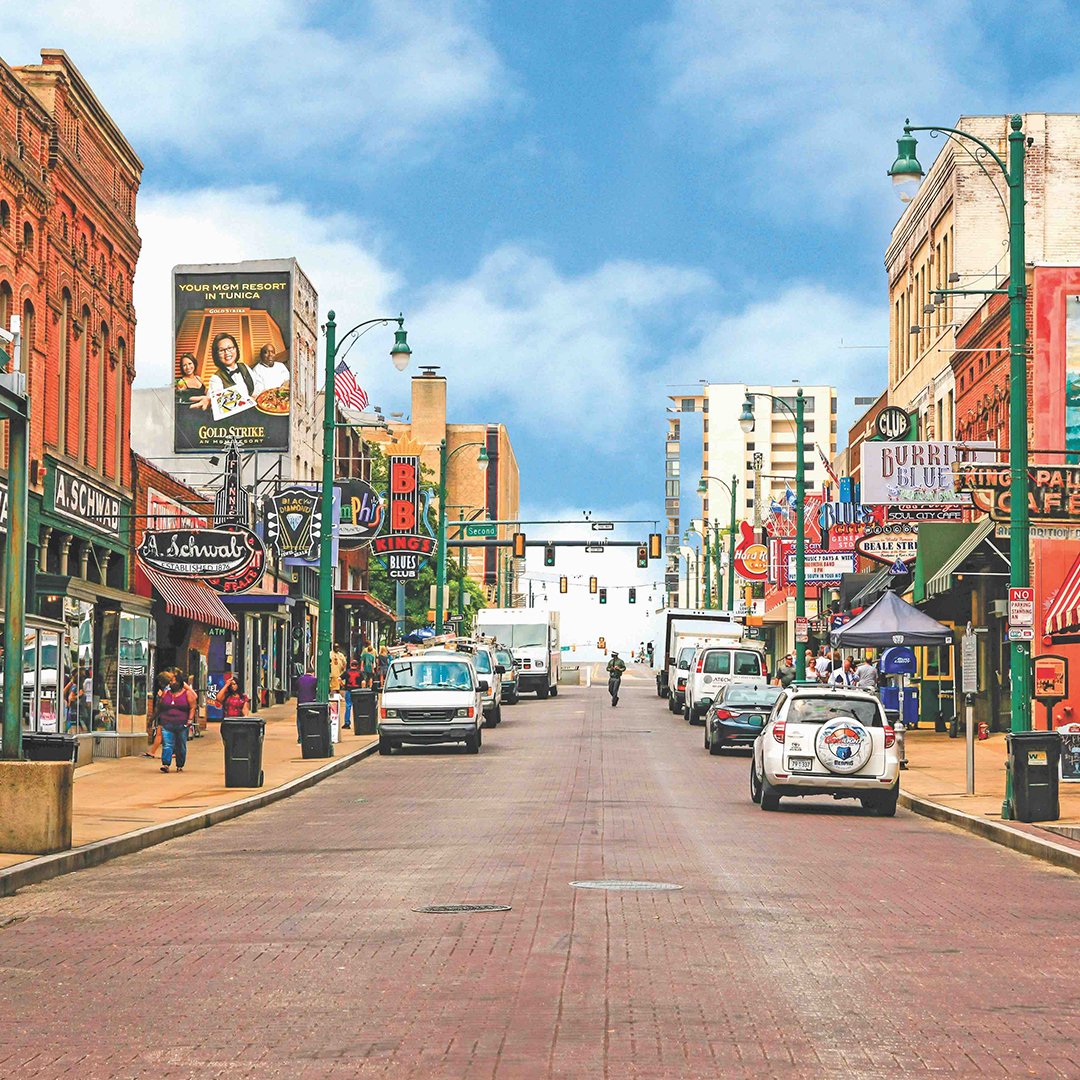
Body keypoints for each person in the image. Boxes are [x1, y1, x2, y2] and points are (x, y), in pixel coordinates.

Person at [188, 333, 255, 409]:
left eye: (230, 348)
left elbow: (256, 386)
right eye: (222, 350)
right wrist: (210, 401)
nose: (227, 353)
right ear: (216, 355)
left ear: (236, 349)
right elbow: (215, 400)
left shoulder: (244, 366)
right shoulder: (216, 378)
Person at [155, 670, 195, 773]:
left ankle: (180, 764)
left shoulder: (187, 694)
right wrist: (160, 699)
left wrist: (189, 720)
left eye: (173, 681)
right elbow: (161, 706)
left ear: (179, 682)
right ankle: (166, 764)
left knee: (181, 745)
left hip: (182, 723)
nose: (171, 683)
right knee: (167, 744)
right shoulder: (166, 693)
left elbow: (192, 707)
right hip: (167, 723)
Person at [343, 659, 363, 728]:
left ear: (350, 665)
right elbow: (363, 682)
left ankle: (347, 722)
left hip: (348, 690)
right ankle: (359, 722)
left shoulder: (347, 672)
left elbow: (339, 678)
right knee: (358, 707)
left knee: (348, 706)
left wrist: (343, 686)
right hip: (357, 692)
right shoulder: (360, 673)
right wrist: (362, 689)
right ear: (357, 666)